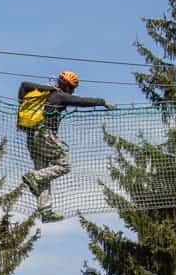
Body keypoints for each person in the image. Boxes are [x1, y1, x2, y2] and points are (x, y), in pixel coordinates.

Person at [17, 70, 115, 220]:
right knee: (64, 166)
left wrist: (26, 100)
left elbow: (24, 85)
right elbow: (81, 101)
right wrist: (102, 102)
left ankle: (45, 210)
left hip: (31, 137)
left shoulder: (44, 94)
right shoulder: (60, 96)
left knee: (44, 172)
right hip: (45, 136)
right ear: (69, 87)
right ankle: (33, 176)